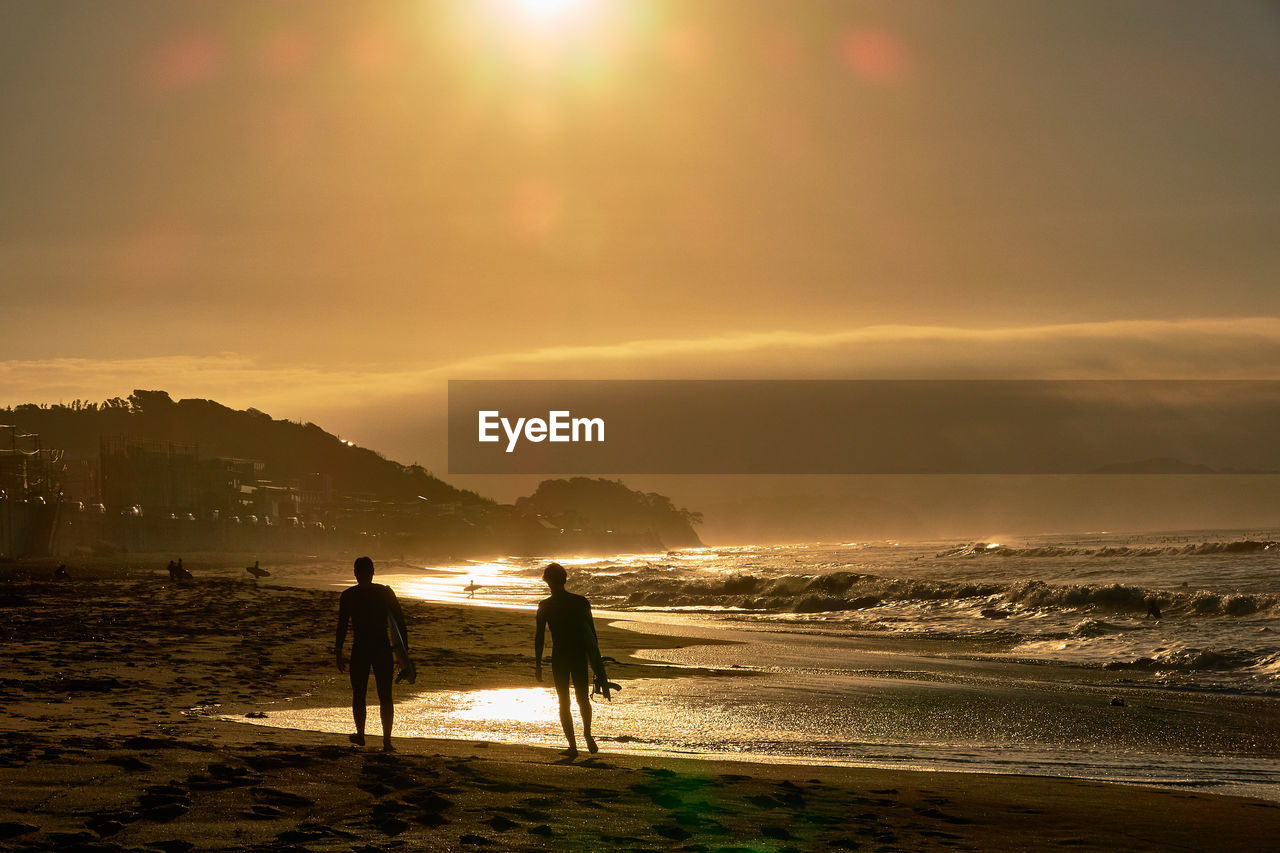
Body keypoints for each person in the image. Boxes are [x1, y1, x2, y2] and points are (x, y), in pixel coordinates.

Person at [534, 562, 609, 758]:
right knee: (581, 699)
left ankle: (574, 745)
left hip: (561, 657)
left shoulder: (546, 605)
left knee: (565, 702)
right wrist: (596, 664)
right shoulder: (580, 602)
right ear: (564, 579)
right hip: (577, 655)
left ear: (547, 581)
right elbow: (592, 636)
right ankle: (586, 735)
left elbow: (539, 637)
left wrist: (538, 665)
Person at [335, 556, 407, 752]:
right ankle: (386, 741)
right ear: (373, 572)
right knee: (386, 696)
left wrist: (338, 650)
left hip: (361, 648)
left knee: (359, 694)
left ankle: (360, 734)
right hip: (382, 648)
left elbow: (342, 626)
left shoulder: (348, 595)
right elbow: (400, 624)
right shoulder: (385, 593)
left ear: (355, 574)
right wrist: (404, 654)